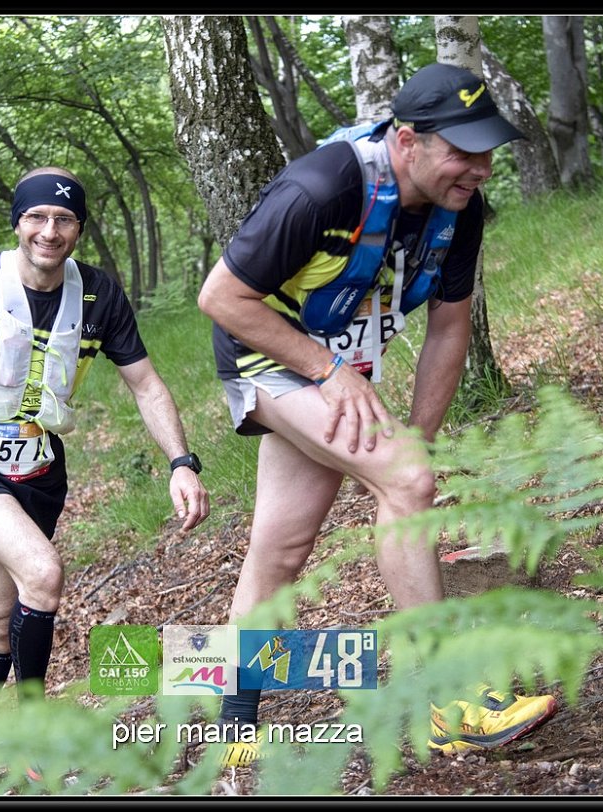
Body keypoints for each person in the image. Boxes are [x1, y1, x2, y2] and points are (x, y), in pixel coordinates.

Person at [197, 63, 556, 766]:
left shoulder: (459, 207)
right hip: (266, 356)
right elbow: (221, 297)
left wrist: (415, 440)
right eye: (463, 151)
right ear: (407, 140)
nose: (481, 168)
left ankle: (233, 730)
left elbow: (449, 328)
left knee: (282, 547)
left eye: (488, 152)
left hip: (336, 364)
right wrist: (330, 375)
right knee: (405, 481)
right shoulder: (322, 187)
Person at [0, 167, 210, 790]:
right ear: (18, 223)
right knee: (44, 573)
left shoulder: (99, 295)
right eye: (37, 217)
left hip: (39, 466)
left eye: (64, 219)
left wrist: (181, 462)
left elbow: (146, 385)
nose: (50, 231)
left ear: (79, 228)